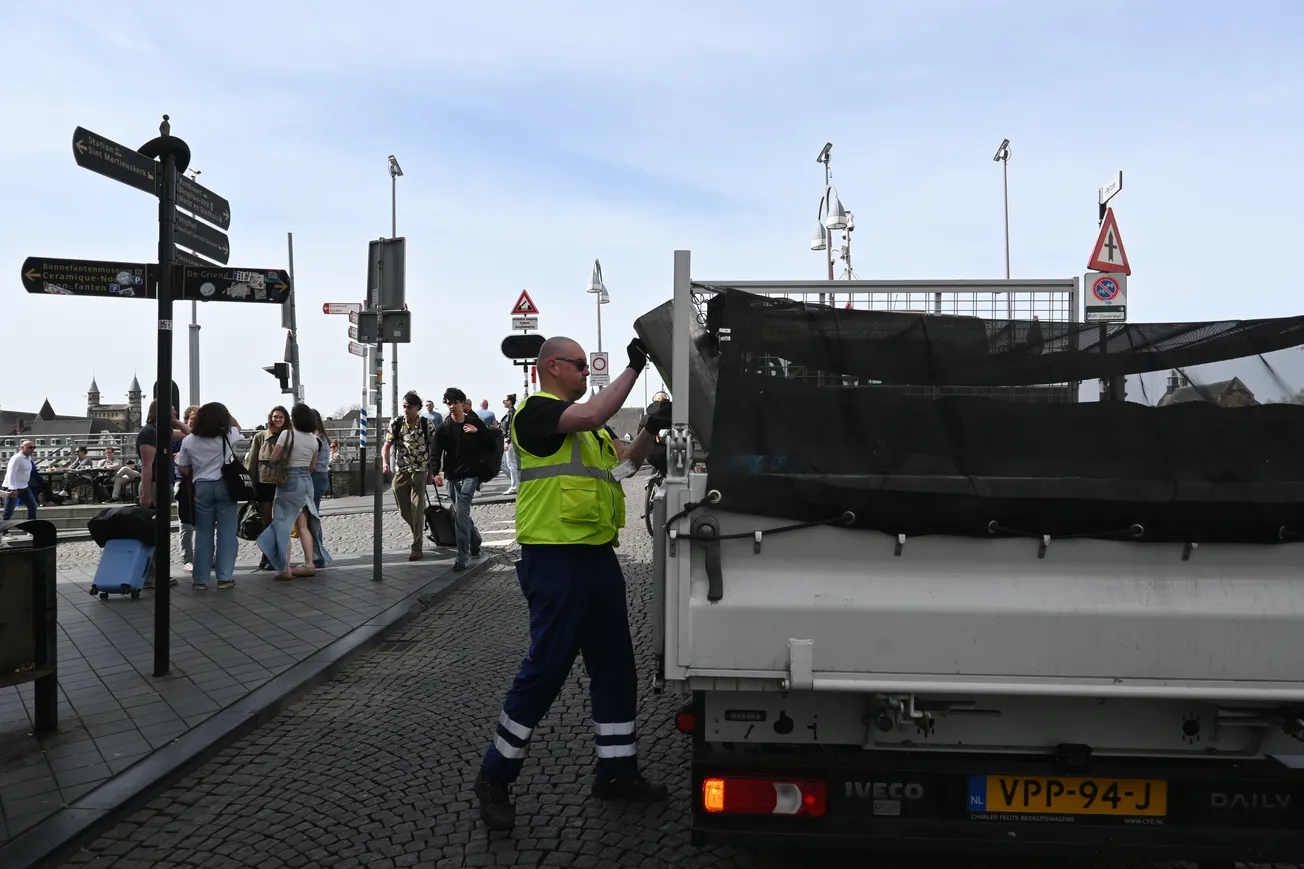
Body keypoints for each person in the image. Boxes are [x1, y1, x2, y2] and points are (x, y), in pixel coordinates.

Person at [474, 336, 670, 832]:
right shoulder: (534, 414)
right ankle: (495, 776)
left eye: (588, 366)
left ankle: (617, 772)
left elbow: (626, 464)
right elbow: (585, 415)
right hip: (554, 559)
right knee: (547, 668)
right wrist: (632, 370)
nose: (586, 372)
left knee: (616, 667)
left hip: (597, 558)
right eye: (580, 365)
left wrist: (650, 426)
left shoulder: (591, 428)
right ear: (552, 366)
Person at [175, 403, 242, 590]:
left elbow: (182, 466)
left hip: (201, 487)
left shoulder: (190, 440)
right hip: (224, 486)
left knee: (203, 533)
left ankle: (200, 579)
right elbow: (238, 427)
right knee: (227, 533)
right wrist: (227, 414)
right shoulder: (226, 436)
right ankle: (224, 577)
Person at [256, 404, 323, 581]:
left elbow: (273, 458)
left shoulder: (287, 434)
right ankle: (309, 563)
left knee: (283, 524)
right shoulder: (314, 439)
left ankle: (285, 568)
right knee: (302, 526)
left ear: (295, 419)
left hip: (289, 482)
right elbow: (313, 467)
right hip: (306, 482)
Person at [431, 387, 490, 570]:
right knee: (459, 515)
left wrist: (477, 431)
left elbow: (490, 444)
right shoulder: (443, 429)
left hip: (471, 476)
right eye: (449, 403)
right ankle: (476, 540)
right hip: (452, 477)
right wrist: (435, 474)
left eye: (455, 402)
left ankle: (462, 557)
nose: (452, 406)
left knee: (462, 512)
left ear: (462, 404)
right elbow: (435, 453)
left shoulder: (474, 422)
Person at [384, 390, 433, 561]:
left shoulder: (427, 424)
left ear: (417, 408)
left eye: (409, 407)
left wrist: (432, 473)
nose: (406, 409)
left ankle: (417, 546)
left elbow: (433, 450)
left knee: (417, 507)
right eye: (404, 406)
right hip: (402, 470)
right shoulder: (396, 424)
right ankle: (419, 527)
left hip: (420, 470)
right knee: (404, 509)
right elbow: (387, 446)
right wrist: (384, 462)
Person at [246, 406, 290, 571]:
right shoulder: (260, 437)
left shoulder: (289, 437)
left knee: (280, 522)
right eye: (275, 416)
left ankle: (276, 555)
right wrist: (251, 485)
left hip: (283, 484)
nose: (277, 419)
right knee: (267, 521)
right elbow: (252, 462)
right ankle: (266, 555)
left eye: (281, 417)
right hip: (264, 484)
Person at [2, 441, 38, 522]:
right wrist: (13, 489)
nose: (32, 449)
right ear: (21, 448)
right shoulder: (16, 458)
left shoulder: (28, 458)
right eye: (29, 447)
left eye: (33, 447)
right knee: (9, 511)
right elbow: (11, 473)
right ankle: (4, 531)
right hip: (12, 487)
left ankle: (31, 527)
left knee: (33, 506)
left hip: (24, 487)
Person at [501, 393, 519, 495]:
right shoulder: (511, 412)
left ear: (509, 401)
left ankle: (514, 486)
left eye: (505, 401)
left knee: (511, 464)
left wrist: (507, 441)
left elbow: (510, 428)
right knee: (511, 464)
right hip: (509, 440)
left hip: (510, 441)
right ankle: (515, 485)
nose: (504, 402)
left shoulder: (511, 413)